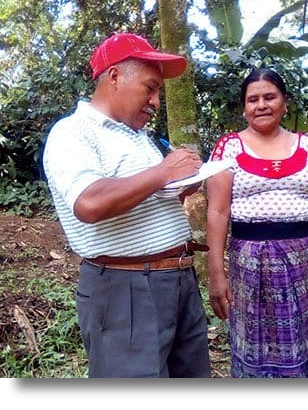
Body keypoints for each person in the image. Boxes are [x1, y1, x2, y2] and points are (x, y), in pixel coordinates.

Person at [43, 32, 211, 378]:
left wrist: (177, 187)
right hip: (126, 289)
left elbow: (141, 198)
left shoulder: (139, 137)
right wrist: (163, 171)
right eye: (149, 88)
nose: (155, 102)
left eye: (158, 93)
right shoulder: (72, 132)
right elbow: (89, 202)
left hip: (178, 282)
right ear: (115, 76)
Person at [206, 67, 308, 378]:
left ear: (284, 102)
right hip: (249, 261)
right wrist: (216, 272)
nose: (261, 105)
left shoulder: (306, 146)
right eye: (252, 99)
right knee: (256, 339)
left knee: (304, 335)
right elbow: (217, 212)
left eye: (269, 97)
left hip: (302, 260)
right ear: (244, 107)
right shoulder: (228, 147)